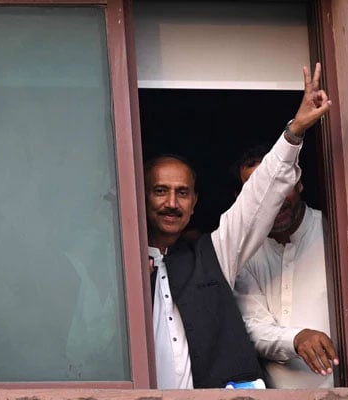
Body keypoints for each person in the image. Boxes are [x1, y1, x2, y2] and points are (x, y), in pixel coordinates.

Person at [144, 63, 331, 389]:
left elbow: (256, 202)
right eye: (160, 191)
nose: (171, 203)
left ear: (195, 203)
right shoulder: (117, 270)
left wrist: (294, 132)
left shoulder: (212, 255)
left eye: (182, 193)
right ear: (140, 196)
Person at [233, 146, 338, 389]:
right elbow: (252, 327)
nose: (273, 198)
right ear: (241, 198)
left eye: (280, 183)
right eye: (258, 188)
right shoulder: (244, 252)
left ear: (298, 182)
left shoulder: (334, 234)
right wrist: (297, 338)